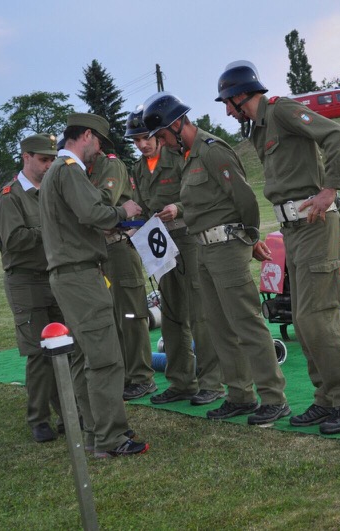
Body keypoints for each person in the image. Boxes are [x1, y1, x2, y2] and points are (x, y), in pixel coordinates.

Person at [215, 61, 340, 435]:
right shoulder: (261, 127)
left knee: (318, 317)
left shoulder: (282, 111)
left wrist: (331, 188)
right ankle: (326, 398)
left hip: (315, 224)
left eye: (227, 103)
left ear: (240, 96)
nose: (227, 112)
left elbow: (337, 135)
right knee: (302, 319)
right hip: (294, 229)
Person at [142, 92, 289, 425]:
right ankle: (240, 395)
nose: (161, 143)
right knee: (220, 327)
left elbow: (244, 199)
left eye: (162, 135)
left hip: (227, 248)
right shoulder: (187, 156)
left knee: (247, 324)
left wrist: (250, 239)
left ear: (177, 125)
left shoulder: (211, 150)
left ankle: (273, 398)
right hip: (204, 249)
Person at [39, 112, 148, 458]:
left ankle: (94, 431)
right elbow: (92, 213)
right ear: (86, 135)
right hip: (80, 275)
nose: (99, 150)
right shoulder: (69, 170)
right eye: (98, 141)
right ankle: (111, 438)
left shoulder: (56, 172)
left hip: (69, 275)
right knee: (105, 357)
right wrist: (124, 211)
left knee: (84, 356)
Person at [126, 106, 224, 406]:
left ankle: (212, 383)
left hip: (188, 237)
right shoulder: (139, 169)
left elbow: (199, 194)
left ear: (158, 135)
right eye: (136, 140)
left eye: (146, 137)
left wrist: (178, 209)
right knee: (170, 313)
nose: (142, 144)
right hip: (159, 243)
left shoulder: (180, 157)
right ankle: (181, 382)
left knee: (200, 313)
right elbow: (142, 205)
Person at [0, 133, 65, 443]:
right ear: (26, 157)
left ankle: (68, 413)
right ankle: (39, 419)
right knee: (39, 353)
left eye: (52, 160)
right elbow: (15, 240)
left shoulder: (49, 192)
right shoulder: (10, 196)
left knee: (62, 348)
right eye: (43, 159)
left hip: (53, 276)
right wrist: (50, 229)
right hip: (26, 281)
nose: (49, 165)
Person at [87, 149, 156, 401]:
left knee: (130, 315)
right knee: (114, 317)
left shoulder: (110, 166)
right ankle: (126, 375)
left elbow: (101, 205)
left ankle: (141, 377)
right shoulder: (86, 171)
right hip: (102, 251)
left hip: (119, 248)